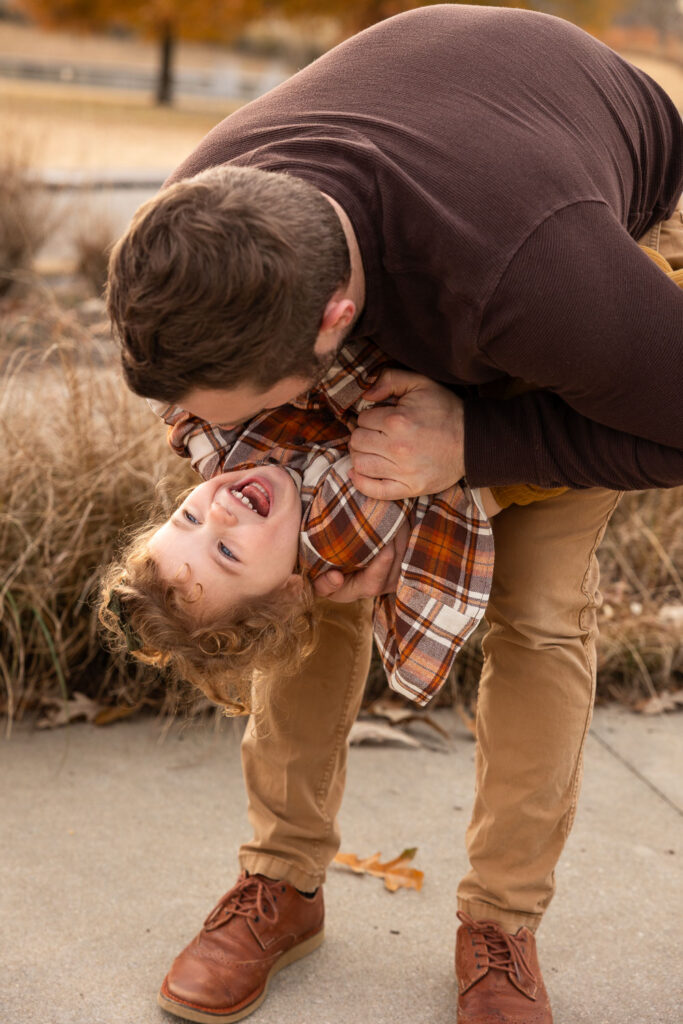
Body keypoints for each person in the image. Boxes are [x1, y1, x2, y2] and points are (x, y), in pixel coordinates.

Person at [105, 6, 683, 1023]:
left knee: (538, 608)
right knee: (299, 582)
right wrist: (287, 536)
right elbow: (208, 423)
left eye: (228, 410)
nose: (211, 440)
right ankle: (279, 882)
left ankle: (500, 925)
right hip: (429, 195)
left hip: (559, 243)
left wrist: (478, 447)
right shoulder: (200, 224)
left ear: (333, 326)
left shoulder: (541, 280)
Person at [100, 337, 565, 713]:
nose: (217, 513)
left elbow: (174, 397)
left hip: (453, 391)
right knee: (540, 616)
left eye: (188, 518)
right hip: (511, 457)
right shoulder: (329, 537)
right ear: (288, 593)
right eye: (226, 551)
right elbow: (378, 423)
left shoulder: (231, 473)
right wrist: (301, 360)